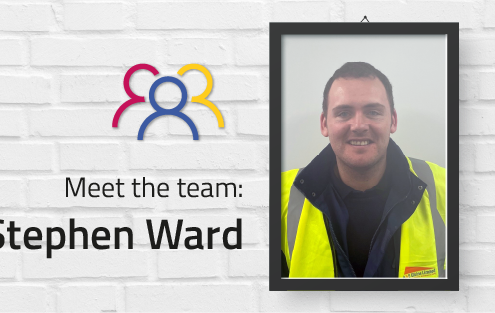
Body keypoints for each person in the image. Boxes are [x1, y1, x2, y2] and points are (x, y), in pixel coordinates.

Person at [281, 62, 446, 278]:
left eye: (373, 112)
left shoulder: (446, 188)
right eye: (343, 113)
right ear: (324, 124)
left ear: (393, 121)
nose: (358, 125)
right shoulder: (279, 195)